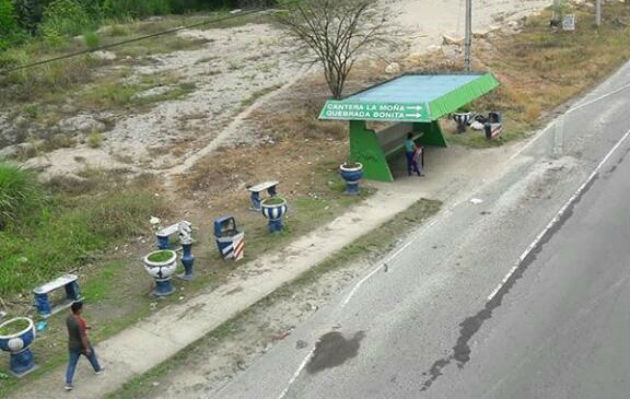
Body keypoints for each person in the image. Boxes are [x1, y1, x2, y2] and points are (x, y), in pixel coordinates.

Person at [65, 301, 103, 391]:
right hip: (81, 345)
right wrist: (87, 348)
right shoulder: (80, 321)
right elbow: (83, 336)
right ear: (78, 310)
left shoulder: (68, 318)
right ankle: (97, 369)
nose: (82, 309)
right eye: (81, 308)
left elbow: (74, 329)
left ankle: (68, 383)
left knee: (72, 364)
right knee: (91, 354)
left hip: (72, 345)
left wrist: (85, 327)